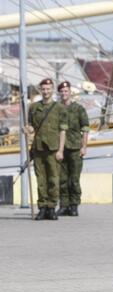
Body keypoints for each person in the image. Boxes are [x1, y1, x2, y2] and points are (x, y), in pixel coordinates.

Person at [25, 78, 66, 220]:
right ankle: (42, 207)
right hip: (38, 148)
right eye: (43, 89)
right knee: (40, 180)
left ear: (52, 90)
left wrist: (61, 150)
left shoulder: (59, 108)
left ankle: (51, 208)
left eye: (48, 89)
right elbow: (31, 126)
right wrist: (28, 129)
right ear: (40, 90)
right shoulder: (34, 107)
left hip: (53, 148)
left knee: (54, 180)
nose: (46, 91)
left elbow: (62, 131)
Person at [56, 81, 90, 217]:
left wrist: (84, 146)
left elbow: (85, 128)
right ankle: (64, 205)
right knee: (62, 178)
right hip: (60, 148)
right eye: (62, 92)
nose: (64, 94)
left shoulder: (78, 108)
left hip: (75, 147)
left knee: (74, 179)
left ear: (70, 92)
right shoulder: (57, 108)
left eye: (66, 91)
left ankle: (74, 205)